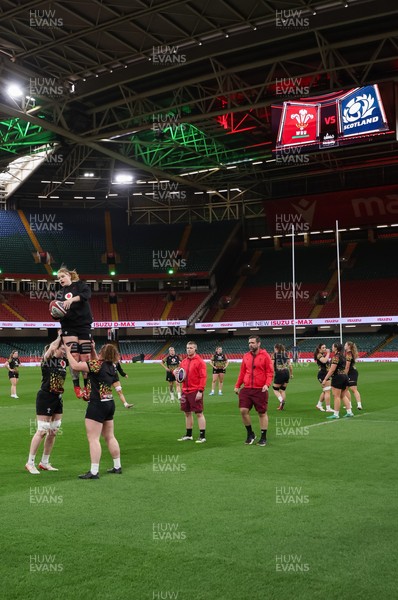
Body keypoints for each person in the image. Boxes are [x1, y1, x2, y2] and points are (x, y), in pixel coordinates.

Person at [64, 342, 133, 479]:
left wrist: (67, 352)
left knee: (93, 438)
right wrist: (93, 349)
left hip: (97, 404)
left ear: (103, 353)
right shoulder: (111, 367)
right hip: (109, 403)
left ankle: (94, 471)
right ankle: (117, 466)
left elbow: (75, 366)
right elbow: (97, 362)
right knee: (110, 436)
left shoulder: (97, 365)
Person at [25, 333, 67, 474]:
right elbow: (53, 346)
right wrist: (61, 336)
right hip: (46, 397)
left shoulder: (63, 362)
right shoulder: (48, 361)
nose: (64, 351)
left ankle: (44, 462)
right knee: (42, 430)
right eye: (62, 349)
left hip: (58, 398)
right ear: (54, 350)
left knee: (54, 430)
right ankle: (30, 463)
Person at [56, 266, 93, 400]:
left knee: (86, 357)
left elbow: (87, 295)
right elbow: (57, 312)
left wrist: (71, 300)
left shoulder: (81, 285)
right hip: (69, 326)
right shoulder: (59, 294)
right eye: (59, 278)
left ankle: (87, 387)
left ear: (69, 276)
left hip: (83, 325)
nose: (60, 279)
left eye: (62, 277)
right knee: (74, 355)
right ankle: (77, 386)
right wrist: (54, 312)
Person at [234, 336, 274, 446]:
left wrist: (267, 384)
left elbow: (270, 372)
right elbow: (242, 372)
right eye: (249, 343)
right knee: (243, 411)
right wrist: (237, 385)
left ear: (258, 343)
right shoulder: (246, 356)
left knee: (262, 413)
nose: (250, 345)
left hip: (260, 389)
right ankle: (250, 434)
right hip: (246, 389)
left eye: (252, 342)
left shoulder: (265, 356)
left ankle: (263, 437)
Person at [177, 341, 207, 443]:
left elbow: (203, 377)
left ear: (195, 349)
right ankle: (189, 435)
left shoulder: (200, 362)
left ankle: (202, 436)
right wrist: (175, 373)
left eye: (191, 348)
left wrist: (200, 391)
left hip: (195, 390)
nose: (188, 349)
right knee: (187, 413)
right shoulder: (183, 362)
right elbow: (180, 377)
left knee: (199, 413)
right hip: (185, 390)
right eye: (187, 348)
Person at [322, 342, 354, 419]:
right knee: (343, 395)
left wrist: (325, 379)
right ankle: (349, 412)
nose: (332, 348)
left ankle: (336, 414)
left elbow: (332, 370)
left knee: (336, 396)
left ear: (336, 348)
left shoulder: (336, 357)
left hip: (338, 377)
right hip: (345, 376)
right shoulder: (343, 356)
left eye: (333, 346)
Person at [271, 343, 293, 410]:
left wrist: (272, 373)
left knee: (275, 389)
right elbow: (290, 366)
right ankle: (281, 406)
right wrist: (291, 374)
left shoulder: (274, 355)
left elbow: (271, 365)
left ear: (276, 348)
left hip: (279, 373)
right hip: (286, 373)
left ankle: (281, 401)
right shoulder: (286, 354)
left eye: (274, 348)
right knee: (282, 390)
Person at [314, 343, 333, 412]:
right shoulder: (319, 355)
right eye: (323, 348)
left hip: (325, 374)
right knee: (327, 391)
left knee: (325, 391)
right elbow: (324, 361)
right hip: (323, 374)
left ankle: (319, 405)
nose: (325, 348)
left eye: (325, 347)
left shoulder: (322, 355)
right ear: (319, 349)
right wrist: (328, 353)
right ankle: (328, 408)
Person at [344, 341, 363, 410]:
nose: (344, 346)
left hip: (351, 373)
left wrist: (345, 375)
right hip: (351, 371)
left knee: (353, 389)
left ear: (349, 346)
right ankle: (349, 404)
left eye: (345, 344)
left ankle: (359, 404)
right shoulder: (348, 353)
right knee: (345, 389)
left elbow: (347, 366)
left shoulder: (349, 354)